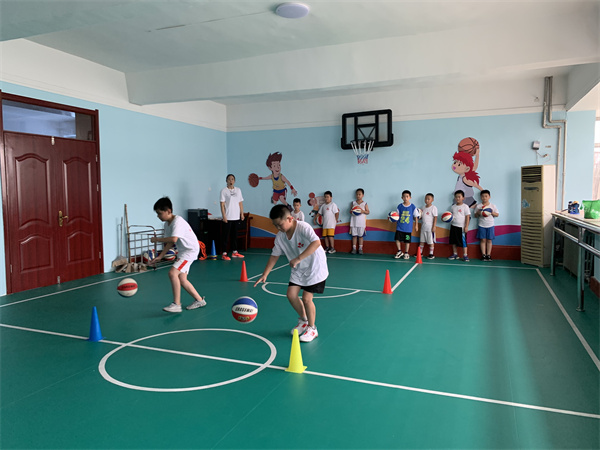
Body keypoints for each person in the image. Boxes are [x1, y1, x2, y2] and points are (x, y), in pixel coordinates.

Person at [254, 205, 328, 342]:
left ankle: (312, 328)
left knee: (307, 298)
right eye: (275, 225)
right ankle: (304, 320)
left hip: (314, 266)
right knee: (291, 295)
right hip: (299, 268)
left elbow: (316, 242)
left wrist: (298, 258)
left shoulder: (303, 227)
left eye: (280, 224)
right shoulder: (280, 236)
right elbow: (274, 255)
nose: (278, 228)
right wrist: (265, 274)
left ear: (290, 218)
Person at [150, 197, 206, 313]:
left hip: (190, 251)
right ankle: (199, 300)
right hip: (183, 251)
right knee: (182, 279)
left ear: (168, 211)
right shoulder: (167, 224)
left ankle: (177, 304)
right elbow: (170, 242)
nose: (158, 216)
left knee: (172, 273)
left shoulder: (178, 222)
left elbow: (174, 239)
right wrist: (160, 256)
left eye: (160, 213)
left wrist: (157, 239)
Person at [219, 174, 244, 260]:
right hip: (228, 217)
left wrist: (242, 214)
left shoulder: (238, 190)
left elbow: (240, 203)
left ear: (234, 181)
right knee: (226, 236)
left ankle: (234, 252)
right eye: (229, 179)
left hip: (236, 217)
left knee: (234, 235)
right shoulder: (224, 191)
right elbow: (222, 205)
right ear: (226, 181)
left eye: (232, 179)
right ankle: (224, 253)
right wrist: (224, 216)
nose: (231, 181)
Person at [474, 189, 499, 261]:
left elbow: (497, 214)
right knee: (483, 240)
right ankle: (483, 255)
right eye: (482, 196)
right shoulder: (479, 206)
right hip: (481, 225)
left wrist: (491, 212)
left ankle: (488, 255)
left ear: (489, 197)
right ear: (480, 197)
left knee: (489, 240)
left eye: (486, 196)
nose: (484, 198)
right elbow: (475, 216)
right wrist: (478, 213)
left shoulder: (492, 206)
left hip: (490, 225)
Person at [448, 190, 471, 262]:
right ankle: (455, 254)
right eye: (456, 197)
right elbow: (450, 216)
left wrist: (466, 226)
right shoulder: (453, 207)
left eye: (459, 197)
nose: (457, 198)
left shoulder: (465, 207)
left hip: (461, 227)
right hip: (453, 226)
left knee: (463, 242)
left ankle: (465, 255)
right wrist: (446, 218)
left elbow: (467, 217)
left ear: (463, 198)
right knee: (454, 241)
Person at [394, 190, 417, 259]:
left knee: (407, 241)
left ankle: (406, 253)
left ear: (410, 197)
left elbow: (416, 216)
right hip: (400, 227)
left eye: (407, 196)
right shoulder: (399, 206)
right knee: (397, 239)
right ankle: (399, 251)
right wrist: (392, 218)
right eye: (404, 197)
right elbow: (396, 216)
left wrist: (416, 225)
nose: (405, 198)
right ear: (402, 198)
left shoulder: (412, 206)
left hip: (408, 228)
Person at [350, 188, 369, 254]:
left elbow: (368, 212)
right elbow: (350, 211)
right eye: (357, 194)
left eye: (359, 194)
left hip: (361, 223)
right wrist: (353, 211)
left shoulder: (364, 203)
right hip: (354, 222)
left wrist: (362, 211)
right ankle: (354, 248)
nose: (358, 196)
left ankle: (360, 248)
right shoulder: (353, 203)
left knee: (360, 236)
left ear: (362, 195)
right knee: (354, 236)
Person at [419, 193, 438, 259]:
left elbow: (435, 217)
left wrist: (434, 226)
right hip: (423, 227)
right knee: (422, 240)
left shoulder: (433, 208)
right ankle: (420, 253)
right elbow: (421, 217)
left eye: (428, 199)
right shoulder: (423, 208)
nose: (427, 200)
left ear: (432, 200)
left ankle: (431, 254)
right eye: (426, 199)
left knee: (431, 241)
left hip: (430, 227)